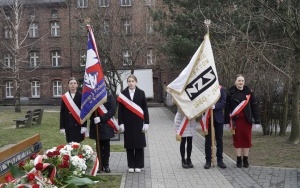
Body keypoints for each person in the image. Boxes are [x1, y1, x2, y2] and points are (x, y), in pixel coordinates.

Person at [224, 74, 260, 168]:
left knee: (246, 139)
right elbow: (227, 107)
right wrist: (226, 121)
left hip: (247, 121)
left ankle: (246, 160)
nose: (241, 82)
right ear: (235, 82)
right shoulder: (230, 93)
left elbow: (254, 106)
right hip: (236, 122)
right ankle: (239, 160)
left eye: (242, 81)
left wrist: (257, 120)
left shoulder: (249, 93)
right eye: (239, 80)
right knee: (237, 140)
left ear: (244, 82)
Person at [117, 74, 150, 173]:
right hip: (128, 123)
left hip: (139, 122)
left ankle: (139, 165)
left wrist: (146, 123)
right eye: (129, 81)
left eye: (132, 81)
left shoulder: (141, 93)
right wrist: (121, 123)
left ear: (136, 82)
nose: (131, 83)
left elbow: (145, 109)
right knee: (130, 144)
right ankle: (131, 165)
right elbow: (120, 110)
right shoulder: (123, 94)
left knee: (139, 144)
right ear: (127, 83)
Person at [89, 90, 117, 173]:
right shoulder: (92, 95)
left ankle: (106, 165)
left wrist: (101, 118)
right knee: (98, 146)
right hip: (96, 125)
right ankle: (99, 165)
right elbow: (87, 109)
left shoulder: (109, 95)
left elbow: (112, 110)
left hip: (106, 124)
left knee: (106, 146)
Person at [203, 86, 227, 169]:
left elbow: (223, 102)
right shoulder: (205, 89)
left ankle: (220, 160)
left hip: (218, 117)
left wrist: (215, 106)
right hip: (208, 118)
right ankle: (208, 161)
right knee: (208, 140)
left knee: (219, 140)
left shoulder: (221, 89)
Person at [60, 77, 87, 143]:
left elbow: (84, 112)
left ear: (77, 85)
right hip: (68, 125)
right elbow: (62, 113)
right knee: (69, 144)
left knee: (77, 144)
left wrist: (84, 126)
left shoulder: (81, 96)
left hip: (78, 124)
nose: (73, 85)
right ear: (68, 85)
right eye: (71, 83)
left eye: (74, 83)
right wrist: (62, 127)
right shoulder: (65, 97)